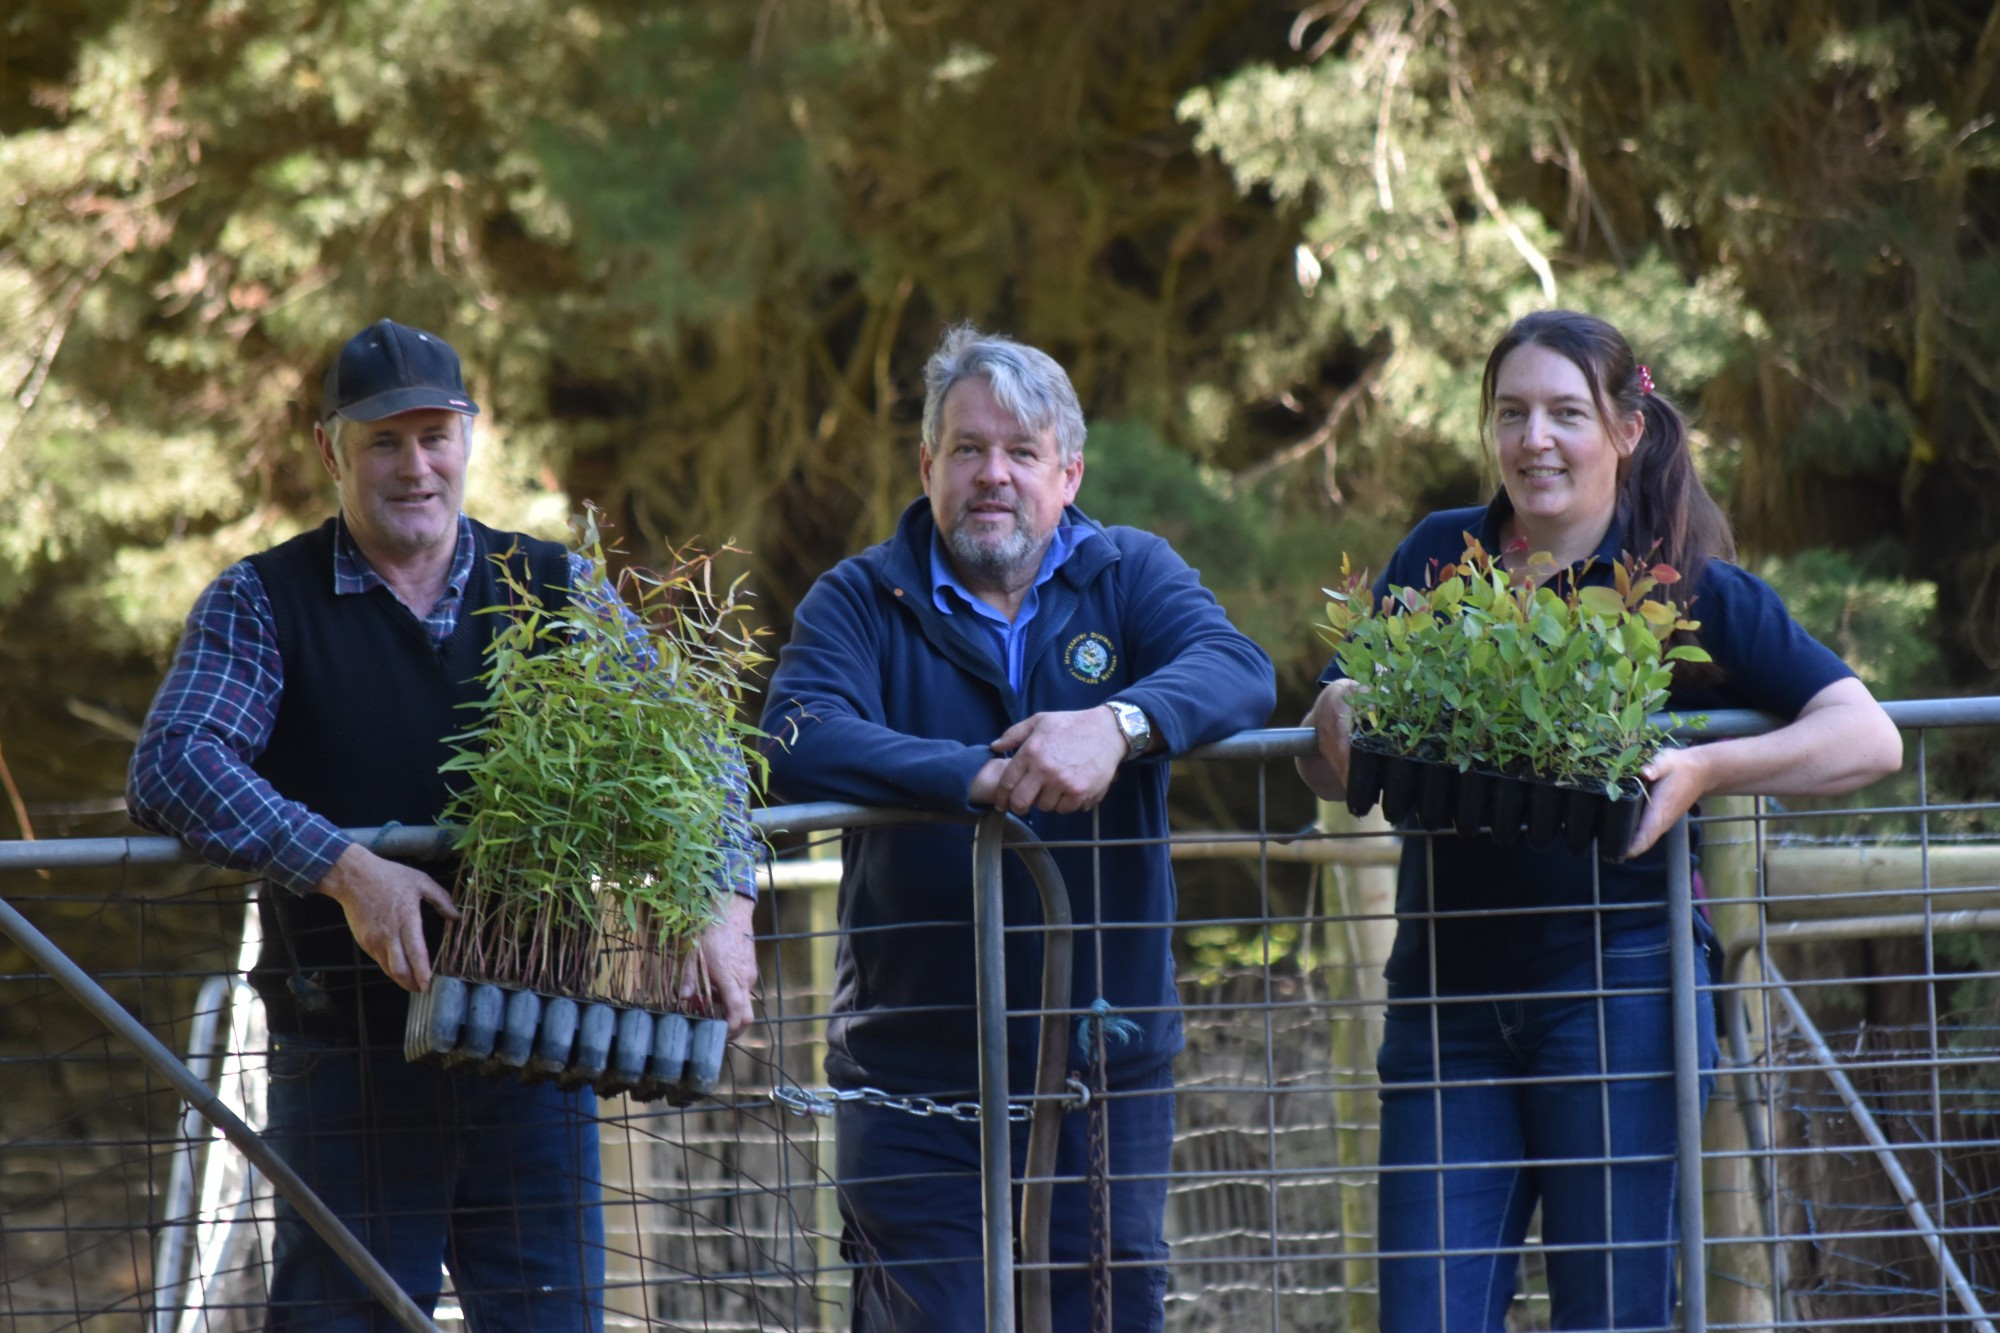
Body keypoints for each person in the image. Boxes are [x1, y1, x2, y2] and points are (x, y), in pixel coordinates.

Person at [127, 318, 760, 1330]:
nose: (414, 467)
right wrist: (343, 866)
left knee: (551, 1317)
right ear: (331, 450)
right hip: (347, 1060)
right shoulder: (263, 601)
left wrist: (724, 900)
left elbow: (702, 757)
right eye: (383, 441)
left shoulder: (554, 588)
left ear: (470, 438)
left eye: (434, 436)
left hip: (539, 1043)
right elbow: (176, 763)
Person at [1297, 309, 1903, 1331]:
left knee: (1607, 1315)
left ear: (1626, 429)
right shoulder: (1436, 557)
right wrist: (1334, 710)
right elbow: (1327, 766)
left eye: (1563, 413)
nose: (1533, 439)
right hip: (1445, 1001)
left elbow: (1865, 736)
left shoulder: (1678, 586)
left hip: (1617, 997)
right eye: (1511, 413)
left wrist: (1705, 766)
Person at [759, 324, 1275, 1330]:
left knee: (1107, 1312)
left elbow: (1238, 669)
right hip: (910, 1074)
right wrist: (981, 776)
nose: (990, 475)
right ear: (926, 464)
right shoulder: (861, 597)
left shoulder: (1129, 573)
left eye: (1020, 453)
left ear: (1068, 474)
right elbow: (795, 732)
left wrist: (1117, 726)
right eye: (966, 449)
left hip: (1105, 1065)